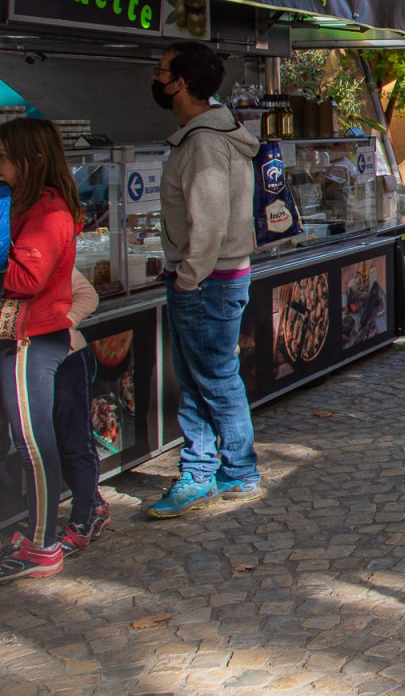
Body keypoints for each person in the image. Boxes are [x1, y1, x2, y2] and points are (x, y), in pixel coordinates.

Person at [143, 41, 262, 520]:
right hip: (211, 277)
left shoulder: (206, 143)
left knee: (212, 378)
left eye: (162, 69)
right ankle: (208, 466)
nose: (156, 76)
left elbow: (208, 223)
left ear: (182, 83)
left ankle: (226, 470)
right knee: (200, 378)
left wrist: (188, 278)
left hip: (208, 280)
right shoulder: (209, 135)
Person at [0, 119, 85, 582]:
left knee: (35, 442)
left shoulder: (49, 211)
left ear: (29, 160)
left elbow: (25, 278)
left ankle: (42, 543)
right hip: (30, 335)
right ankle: (39, 532)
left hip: (32, 337)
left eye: (4, 157)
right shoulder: (34, 204)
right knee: (31, 439)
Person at [55, 270, 109, 557]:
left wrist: (63, 324)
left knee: (74, 442)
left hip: (67, 357)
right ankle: (94, 503)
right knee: (48, 443)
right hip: (20, 364)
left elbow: (88, 295)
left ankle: (83, 518)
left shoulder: (40, 248)